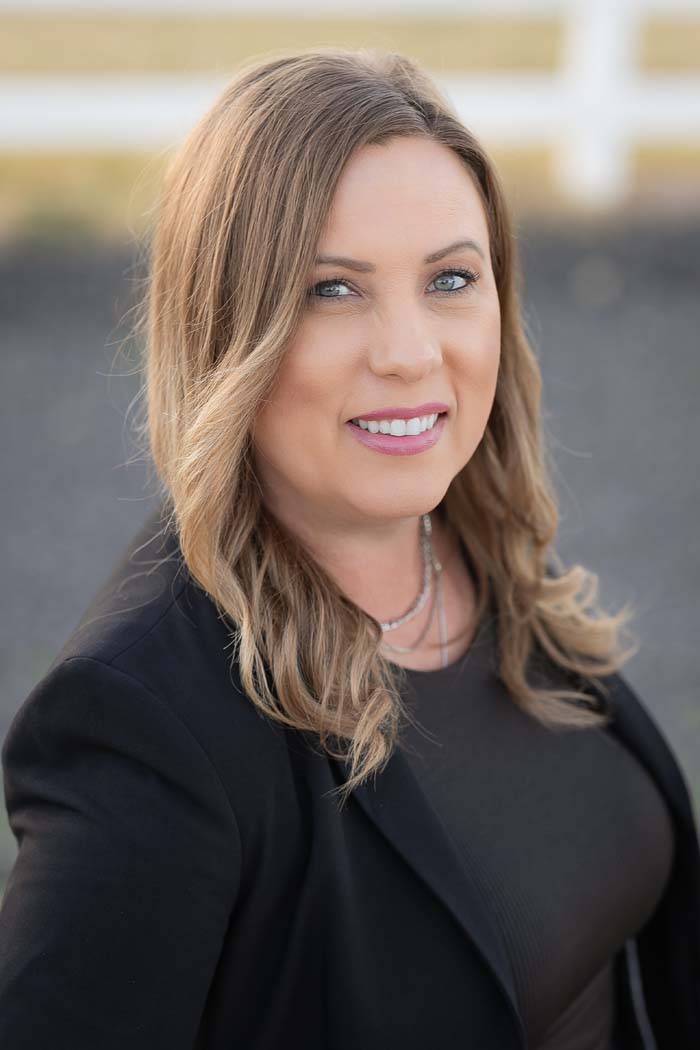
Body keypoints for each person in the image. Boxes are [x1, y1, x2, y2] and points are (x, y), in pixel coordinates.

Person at [0, 46, 698, 1050]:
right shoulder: (139, 727)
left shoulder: (477, 551)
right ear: (223, 328)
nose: (410, 350)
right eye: (333, 290)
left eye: (450, 279)